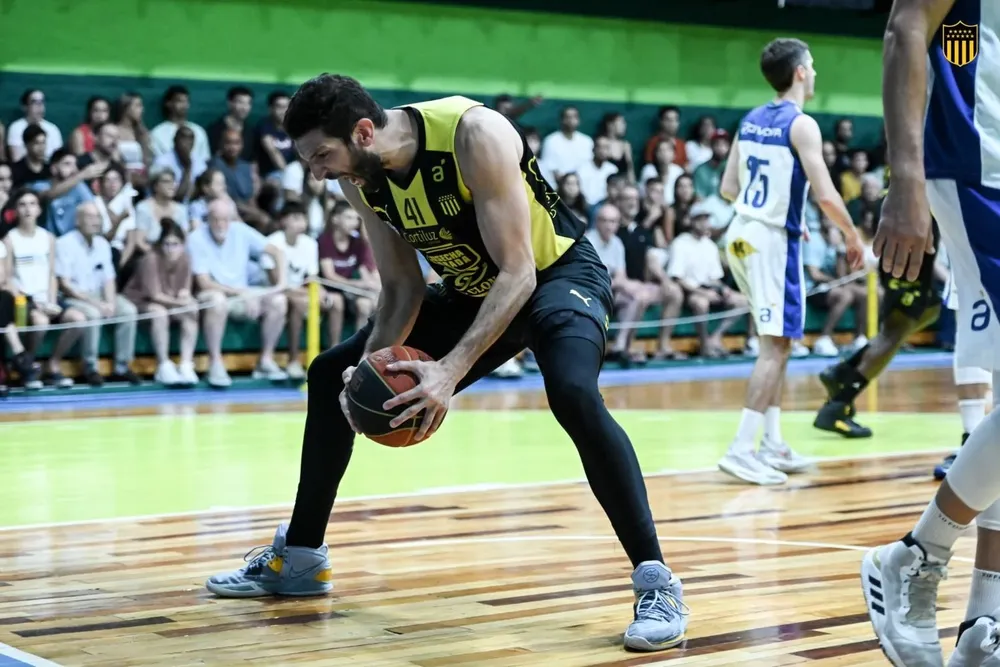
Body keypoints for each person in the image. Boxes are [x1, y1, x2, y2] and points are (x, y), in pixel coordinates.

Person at [205, 74, 689, 653]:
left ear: (363, 131)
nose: (318, 173)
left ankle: (656, 582)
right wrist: (367, 366)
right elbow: (402, 289)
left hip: (554, 277)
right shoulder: (360, 180)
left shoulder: (473, 135)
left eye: (322, 157)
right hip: (472, 288)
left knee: (573, 393)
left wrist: (448, 372)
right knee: (332, 374)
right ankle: (303, 557)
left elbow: (519, 274)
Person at [862, 3, 1000, 666]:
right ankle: (917, 554)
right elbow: (909, 24)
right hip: (979, 170)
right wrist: (906, 178)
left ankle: (985, 616)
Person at [716, 38, 864, 486]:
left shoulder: (752, 118)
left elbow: (728, 187)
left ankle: (773, 442)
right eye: (813, 66)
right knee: (775, 344)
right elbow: (824, 193)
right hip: (770, 240)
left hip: (740, 232)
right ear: (800, 72)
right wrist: (852, 234)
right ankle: (742, 447)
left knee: (776, 340)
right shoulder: (802, 125)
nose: (815, 73)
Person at [813, 172, 942, 439]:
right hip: (908, 249)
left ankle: (843, 371)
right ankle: (837, 405)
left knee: (930, 309)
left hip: (911, 245)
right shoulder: (917, 174)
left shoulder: (905, 179)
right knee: (895, 331)